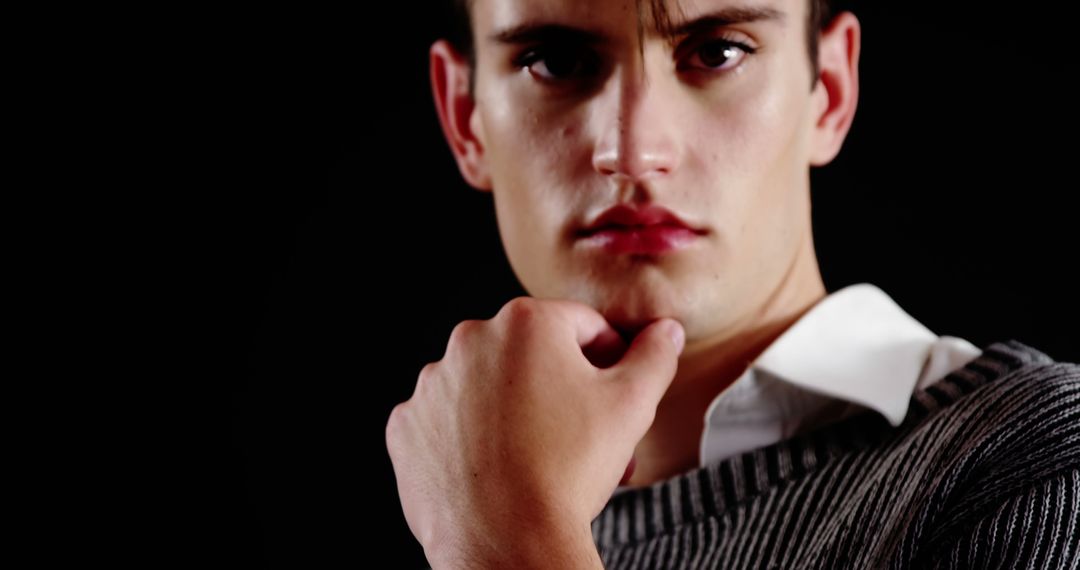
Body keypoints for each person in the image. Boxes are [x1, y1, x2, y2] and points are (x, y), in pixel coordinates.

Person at [385, 0, 1080, 567]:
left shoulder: (1037, 466)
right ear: (463, 116)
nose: (632, 151)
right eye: (555, 61)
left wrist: (507, 547)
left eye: (717, 51)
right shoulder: (468, 504)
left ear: (829, 93)